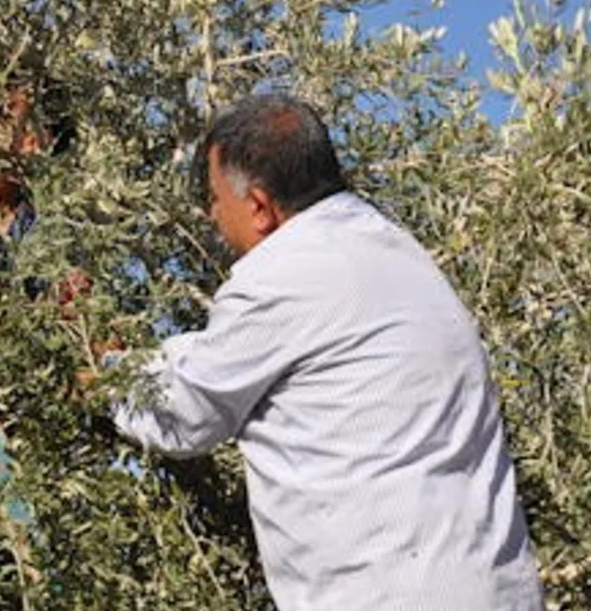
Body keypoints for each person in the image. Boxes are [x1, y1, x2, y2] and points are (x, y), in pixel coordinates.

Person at [106, 93, 544, 611]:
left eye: (215, 202)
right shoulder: (392, 250)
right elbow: (236, 354)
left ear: (259, 208)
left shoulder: (284, 274)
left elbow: (183, 413)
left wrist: (107, 369)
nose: (213, 219)